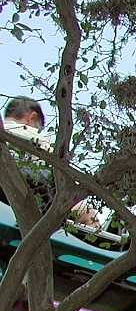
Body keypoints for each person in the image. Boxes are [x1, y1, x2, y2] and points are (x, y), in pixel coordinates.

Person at [2, 96, 100, 226]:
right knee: (88, 215)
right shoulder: (38, 139)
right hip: (36, 211)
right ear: (31, 117)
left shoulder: (3, 134)